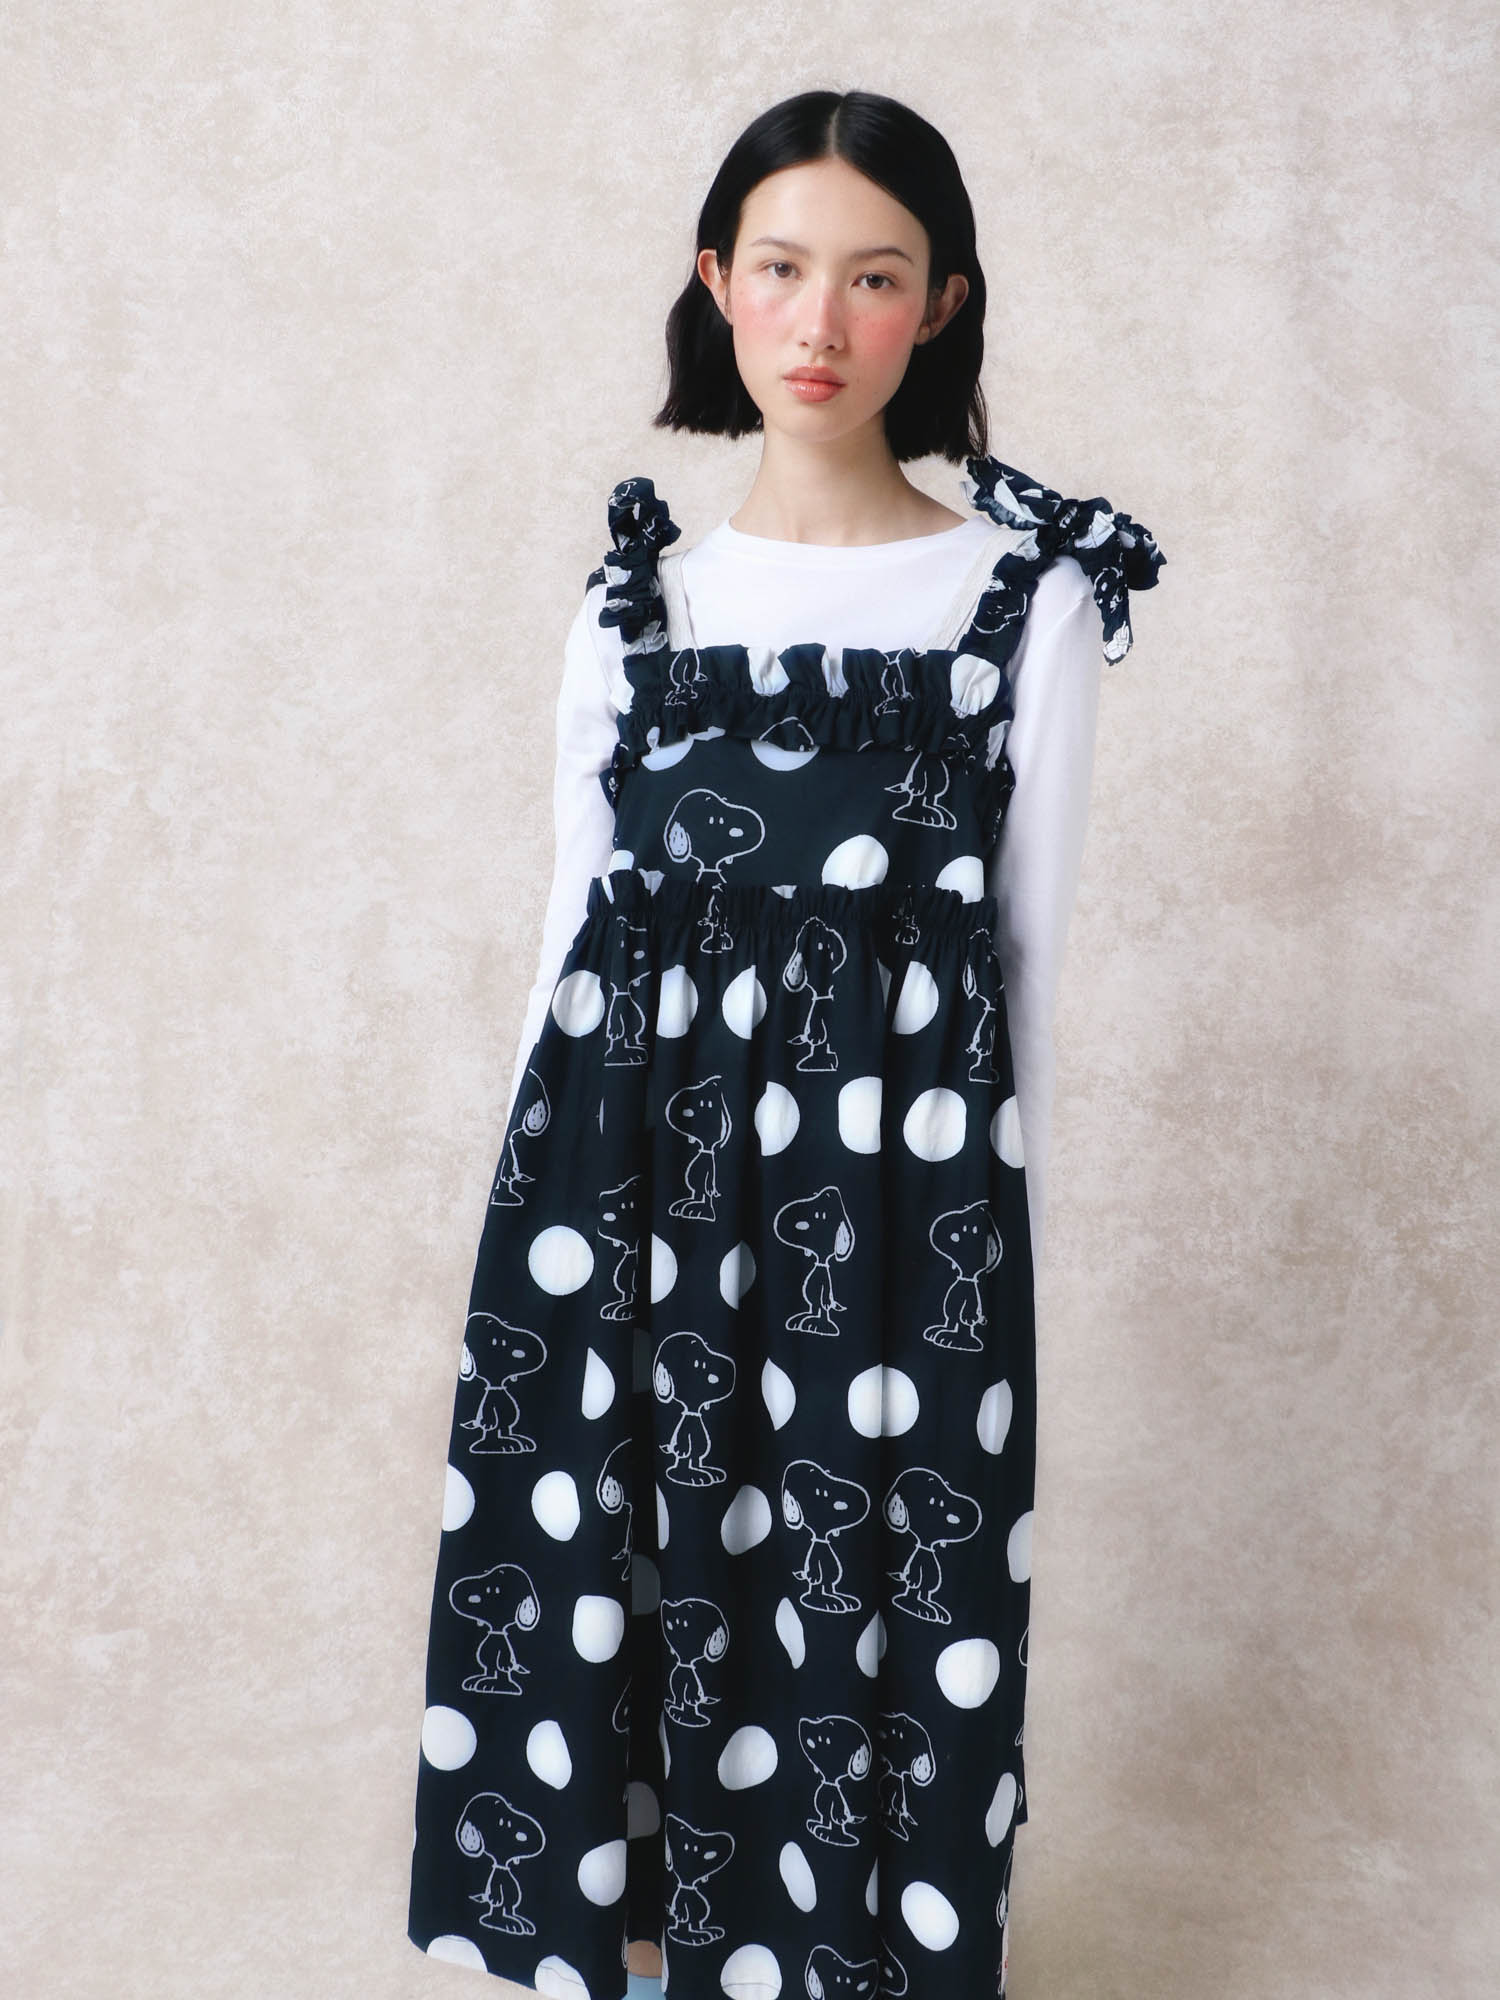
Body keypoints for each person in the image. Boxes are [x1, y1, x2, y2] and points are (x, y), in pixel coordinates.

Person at [407, 87, 1164, 2000]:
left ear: (942, 306)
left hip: (903, 1210)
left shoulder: (1024, 606)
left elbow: (1027, 967)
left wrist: (1001, 1273)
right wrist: (521, 1255)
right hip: (617, 1194)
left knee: (872, 1605)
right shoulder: (635, 601)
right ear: (717, 286)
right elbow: (570, 937)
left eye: (876, 278)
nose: (822, 322)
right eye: (782, 269)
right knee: (631, 1587)